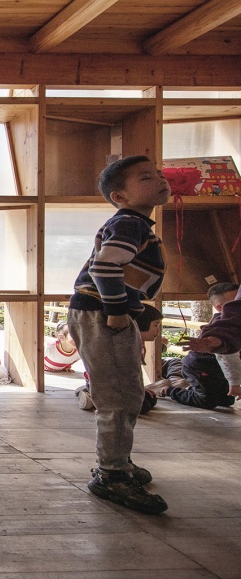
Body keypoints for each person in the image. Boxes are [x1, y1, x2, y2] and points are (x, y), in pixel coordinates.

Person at [67, 155, 170, 514]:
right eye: (146, 177)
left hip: (104, 311)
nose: (160, 180)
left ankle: (118, 461)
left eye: (159, 174)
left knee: (127, 392)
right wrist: (116, 311)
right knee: (118, 396)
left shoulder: (135, 224)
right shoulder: (129, 223)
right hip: (102, 313)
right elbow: (105, 266)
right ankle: (111, 475)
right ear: (120, 196)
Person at [156, 283, 241, 409]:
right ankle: (168, 390)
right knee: (206, 400)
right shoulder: (223, 327)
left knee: (226, 400)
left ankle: (191, 387)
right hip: (199, 366)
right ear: (220, 308)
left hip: (219, 369)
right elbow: (227, 356)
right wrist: (234, 383)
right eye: (235, 303)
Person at [76, 304, 164, 416]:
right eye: (155, 325)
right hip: (104, 383)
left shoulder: (139, 343)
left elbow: (134, 370)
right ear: (142, 323)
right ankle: (93, 397)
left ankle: (96, 396)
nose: (158, 331)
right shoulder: (124, 344)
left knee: (150, 399)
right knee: (141, 406)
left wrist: (139, 388)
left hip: (122, 384)